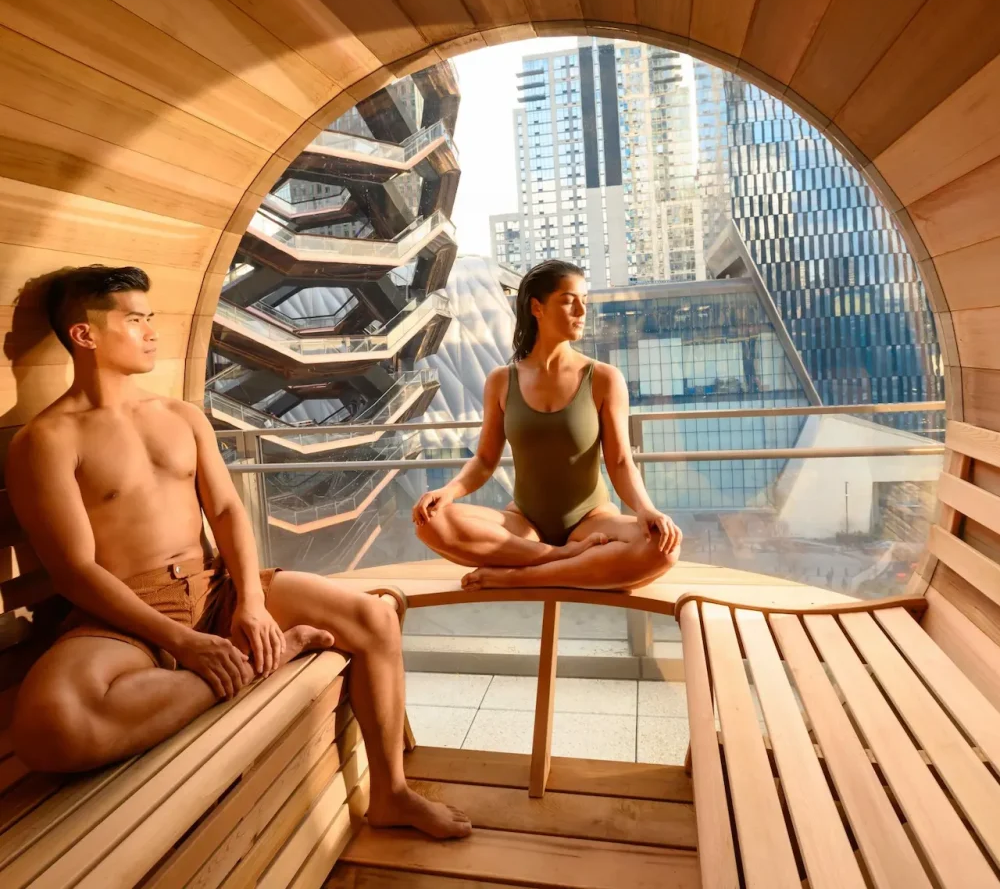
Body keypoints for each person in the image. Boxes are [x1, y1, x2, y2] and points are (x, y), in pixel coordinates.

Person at [5, 266, 470, 840]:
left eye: (152, 318)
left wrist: (250, 601)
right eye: (135, 319)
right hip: (124, 615)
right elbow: (76, 571)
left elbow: (226, 512)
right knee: (50, 728)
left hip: (216, 585)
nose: (152, 331)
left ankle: (392, 795)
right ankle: (252, 668)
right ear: (85, 335)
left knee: (374, 616)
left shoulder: (181, 416)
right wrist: (182, 641)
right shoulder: (47, 440)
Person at [413, 260, 682, 591]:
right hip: (523, 522)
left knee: (663, 548)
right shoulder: (501, 381)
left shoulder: (603, 379)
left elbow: (621, 461)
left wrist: (646, 509)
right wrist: (447, 491)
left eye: (585, 300)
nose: (582, 310)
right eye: (570, 300)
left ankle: (523, 575)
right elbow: (484, 460)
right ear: (536, 307)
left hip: (592, 521)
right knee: (430, 523)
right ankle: (560, 557)